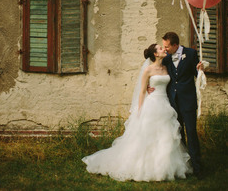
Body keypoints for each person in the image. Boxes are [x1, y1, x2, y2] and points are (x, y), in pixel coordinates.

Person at [82, 43, 192, 182]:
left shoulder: (166, 67)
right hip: (152, 104)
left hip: (165, 104)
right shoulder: (148, 70)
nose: (164, 49)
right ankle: (142, 167)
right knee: (147, 136)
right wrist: (139, 111)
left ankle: (163, 166)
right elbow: (141, 91)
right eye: (160, 48)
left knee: (165, 136)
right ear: (155, 54)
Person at [150, 32, 203, 178]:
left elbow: (196, 74)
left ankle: (197, 167)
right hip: (172, 102)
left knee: (191, 133)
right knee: (179, 135)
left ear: (175, 45)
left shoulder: (191, 54)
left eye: (167, 46)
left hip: (188, 101)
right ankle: (184, 166)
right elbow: (155, 70)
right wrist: (149, 86)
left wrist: (200, 70)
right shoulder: (166, 58)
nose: (165, 49)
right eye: (164, 47)